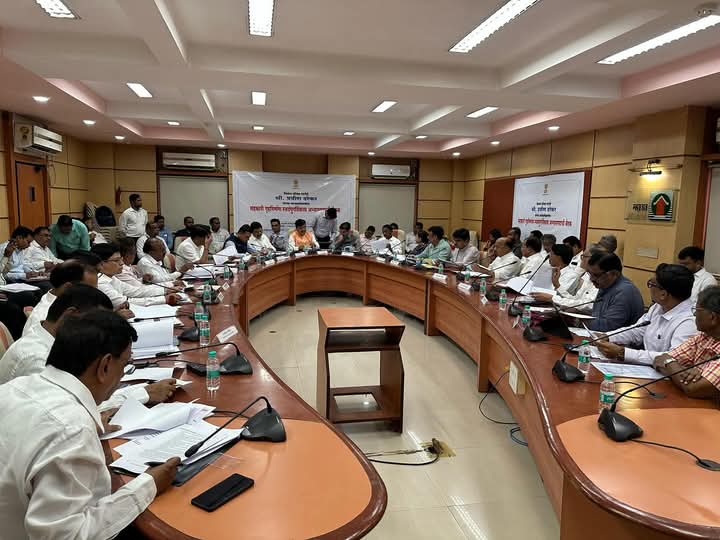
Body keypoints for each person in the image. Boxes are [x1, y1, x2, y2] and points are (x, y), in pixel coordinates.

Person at [0, 309, 180, 539]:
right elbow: (67, 536)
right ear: (105, 366)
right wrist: (148, 485)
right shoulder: (72, 430)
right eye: (124, 365)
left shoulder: (14, 388)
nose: (122, 376)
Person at [596, 264, 696, 365]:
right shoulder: (658, 307)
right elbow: (636, 331)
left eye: (651, 284)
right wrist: (607, 337)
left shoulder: (689, 322)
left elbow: (672, 358)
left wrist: (623, 353)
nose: (649, 288)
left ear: (663, 294)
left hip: (663, 373)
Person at [653, 287, 720, 399]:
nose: (694, 314)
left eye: (697, 310)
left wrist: (670, 363)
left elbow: (693, 388)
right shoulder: (704, 337)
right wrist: (682, 369)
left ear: (712, 317)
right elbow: (659, 360)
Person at [23, 261, 98, 336]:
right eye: (90, 290)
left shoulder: (59, 297)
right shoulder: (47, 319)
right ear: (69, 287)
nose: (95, 295)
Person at [93, 243, 173, 309]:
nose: (122, 263)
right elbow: (125, 303)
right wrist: (164, 299)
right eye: (116, 260)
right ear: (101, 264)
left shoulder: (111, 277)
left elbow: (135, 291)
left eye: (121, 259)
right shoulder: (100, 283)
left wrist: (165, 291)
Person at [534, 244, 604, 311]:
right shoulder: (587, 277)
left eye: (584, 256)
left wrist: (553, 298)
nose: (581, 259)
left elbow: (586, 305)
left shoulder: (600, 280)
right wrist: (557, 285)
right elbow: (575, 300)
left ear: (594, 259)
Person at [586, 252, 644, 332]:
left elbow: (608, 326)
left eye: (596, 275)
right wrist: (577, 313)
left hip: (618, 339)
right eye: (589, 273)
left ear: (614, 274)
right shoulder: (606, 284)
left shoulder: (624, 292)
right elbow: (598, 315)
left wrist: (577, 321)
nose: (591, 279)